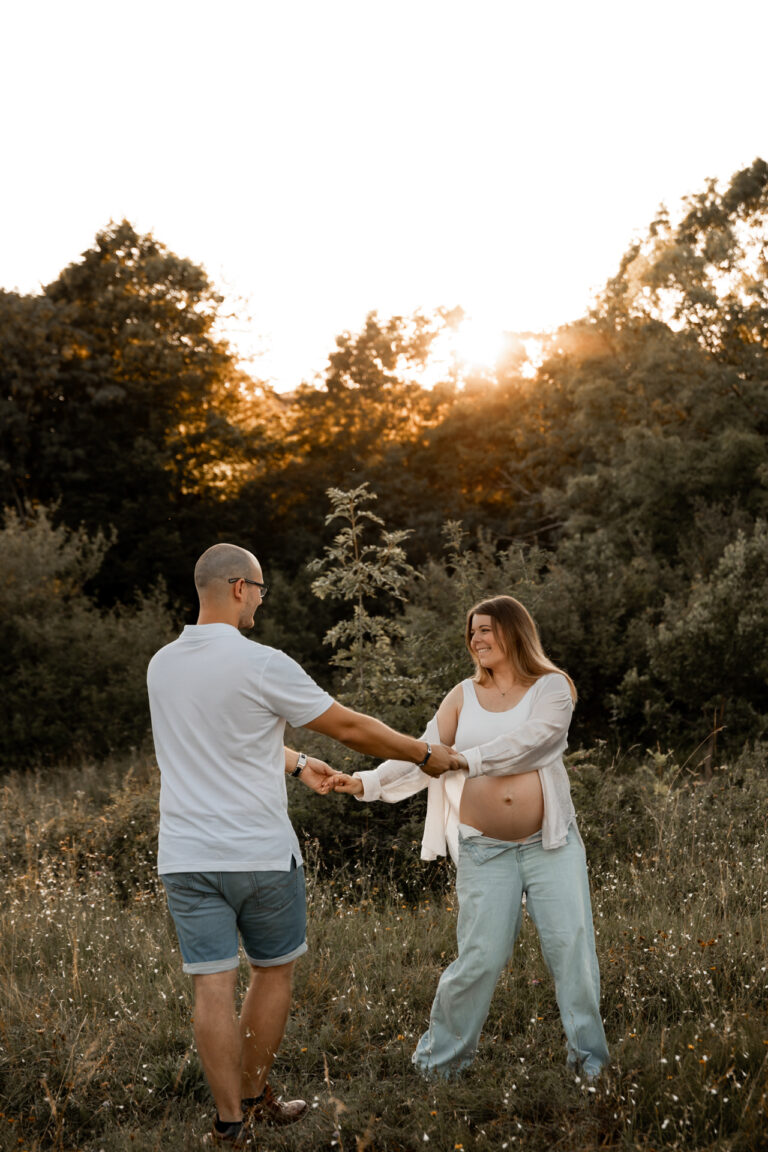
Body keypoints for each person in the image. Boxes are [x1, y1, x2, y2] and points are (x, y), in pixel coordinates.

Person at [146, 543, 457, 1146]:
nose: (261, 600)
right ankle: (256, 1098)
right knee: (271, 972)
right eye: (261, 589)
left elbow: (222, 738)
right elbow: (348, 725)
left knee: (211, 985)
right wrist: (423, 753)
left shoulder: (162, 664)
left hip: (186, 856)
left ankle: (228, 1125)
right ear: (240, 587)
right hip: (259, 854)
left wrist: (296, 765)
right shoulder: (261, 662)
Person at [330, 594, 609, 1081]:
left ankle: (591, 1067)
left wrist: (464, 759)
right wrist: (366, 783)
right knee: (479, 959)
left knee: (573, 953)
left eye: (485, 630)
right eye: (472, 632)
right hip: (484, 848)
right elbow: (423, 755)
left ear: (514, 631)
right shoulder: (461, 695)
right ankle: (439, 1066)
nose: (475, 639)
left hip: (551, 846)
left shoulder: (552, 688)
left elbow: (534, 744)